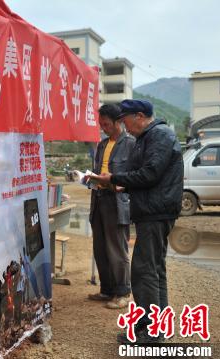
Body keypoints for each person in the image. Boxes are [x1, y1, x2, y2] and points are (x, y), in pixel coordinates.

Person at [90, 99, 183, 343]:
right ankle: (154, 327)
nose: (125, 127)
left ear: (140, 116)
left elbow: (151, 173)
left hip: (156, 211)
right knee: (154, 269)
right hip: (152, 209)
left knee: (143, 271)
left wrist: (116, 178)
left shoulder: (159, 135)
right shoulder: (148, 137)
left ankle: (151, 332)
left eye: (125, 121)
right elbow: (141, 174)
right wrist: (122, 183)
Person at [87, 104, 135, 309]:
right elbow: (99, 170)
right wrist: (91, 178)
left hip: (117, 201)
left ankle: (123, 292)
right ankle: (107, 289)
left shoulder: (131, 144)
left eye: (106, 124)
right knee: (100, 248)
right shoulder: (102, 144)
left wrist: (117, 184)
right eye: (101, 125)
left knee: (117, 249)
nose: (103, 128)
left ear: (118, 122)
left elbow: (135, 176)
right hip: (98, 198)